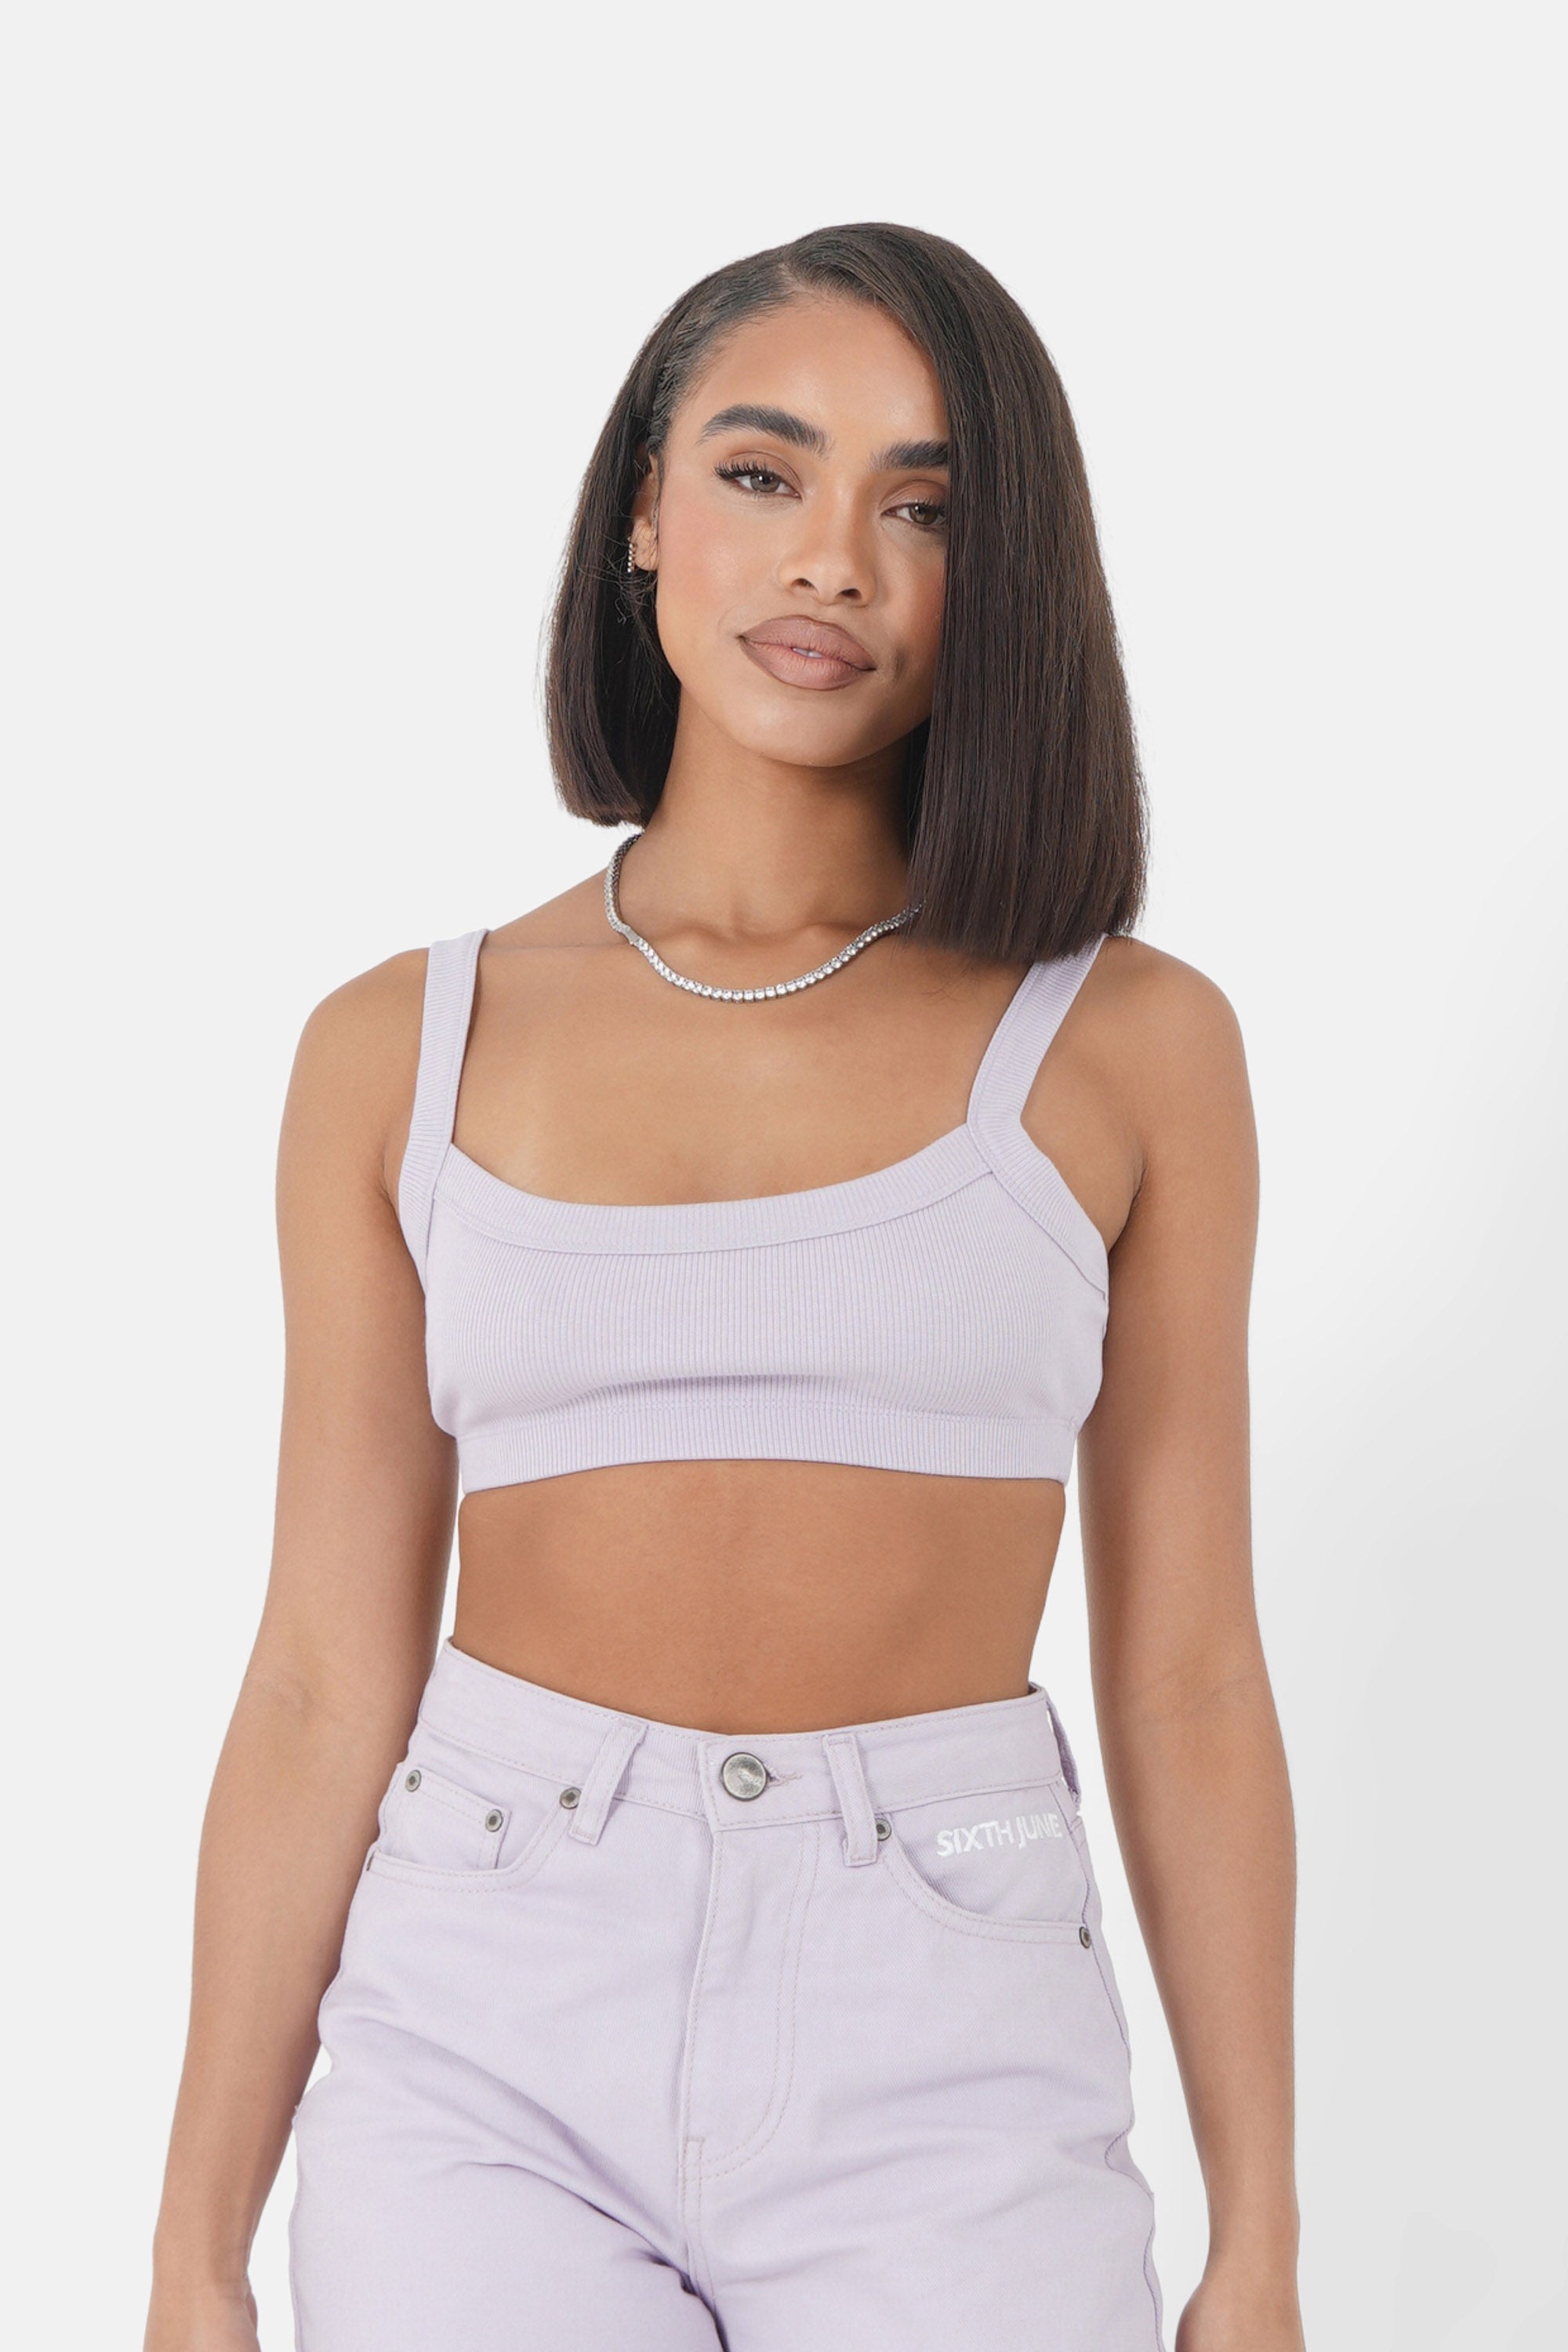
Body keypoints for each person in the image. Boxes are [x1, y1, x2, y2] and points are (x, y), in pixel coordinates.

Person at [144, 223, 1305, 2352]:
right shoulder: (397, 1048)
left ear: (1004, 583)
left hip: (948, 2038)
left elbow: (1191, 1678)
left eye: (925, 508)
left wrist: (1261, 2243)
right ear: (644, 517)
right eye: (764, 474)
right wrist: (193, 2253)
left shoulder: (1131, 1045)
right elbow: (320, 1671)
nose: (834, 560)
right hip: (483, 2017)